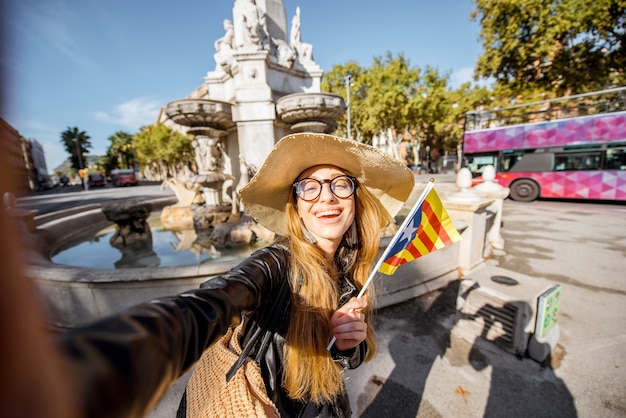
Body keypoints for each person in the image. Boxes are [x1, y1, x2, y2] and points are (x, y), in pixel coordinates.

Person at [55, 133, 415, 417]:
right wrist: (127, 355)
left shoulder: (353, 272)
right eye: (310, 186)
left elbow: (347, 357)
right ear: (296, 207)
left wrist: (348, 345)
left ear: (355, 198)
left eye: (341, 184)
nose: (327, 197)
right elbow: (218, 297)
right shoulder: (276, 263)